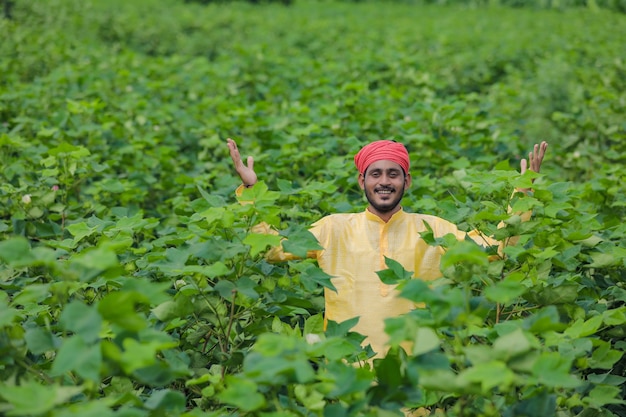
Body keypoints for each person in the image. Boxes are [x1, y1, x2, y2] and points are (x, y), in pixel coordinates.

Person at [227, 138, 548, 359]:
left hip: (413, 371)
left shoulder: (433, 229)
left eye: (393, 174)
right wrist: (251, 191)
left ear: (407, 182)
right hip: (346, 368)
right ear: (361, 181)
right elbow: (274, 250)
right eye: (375, 174)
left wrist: (523, 191)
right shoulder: (332, 228)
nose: (384, 181)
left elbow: (493, 248)